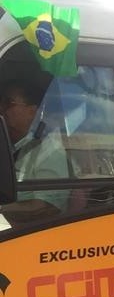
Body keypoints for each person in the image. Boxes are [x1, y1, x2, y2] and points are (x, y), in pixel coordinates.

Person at [0, 80, 70, 223]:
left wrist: (2, 209)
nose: (1, 108)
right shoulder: (11, 145)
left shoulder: (50, 152)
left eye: (9, 103)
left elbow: (44, 207)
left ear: (32, 111)